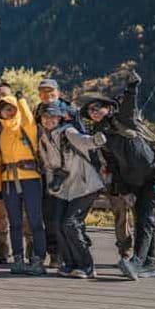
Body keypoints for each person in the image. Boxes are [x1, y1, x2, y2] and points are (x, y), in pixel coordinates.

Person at [83, 71, 155, 280]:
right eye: (90, 111)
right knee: (145, 220)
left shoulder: (123, 119)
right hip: (134, 182)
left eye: (97, 108)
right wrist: (125, 191)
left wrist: (132, 85)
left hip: (151, 176)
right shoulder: (101, 137)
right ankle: (151, 263)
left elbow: (130, 102)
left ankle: (137, 263)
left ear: (109, 108)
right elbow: (113, 167)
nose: (94, 112)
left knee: (146, 219)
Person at [38, 104, 106, 279]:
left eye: (52, 117)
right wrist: (52, 184)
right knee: (57, 224)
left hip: (85, 185)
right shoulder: (44, 140)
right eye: (45, 117)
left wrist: (96, 140)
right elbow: (47, 165)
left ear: (60, 118)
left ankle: (87, 265)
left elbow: (84, 140)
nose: (48, 120)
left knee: (70, 223)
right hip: (64, 188)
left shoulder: (68, 132)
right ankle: (69, 264)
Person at [0, 92, 47, 275]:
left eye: (10, 108)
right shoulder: (0, 131)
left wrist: (21, 100)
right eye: (3, 109)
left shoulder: (27, 127)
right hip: (9, 180)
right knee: (14, 222)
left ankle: (38, 259)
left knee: (35, 221)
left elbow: (28, 117)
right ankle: (18, 259)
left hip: (30, 177)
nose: (7, 112)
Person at [35, 78, 86, 268]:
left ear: (58, 91)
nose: (47, 95)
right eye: (43, 91)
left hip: (71, 171)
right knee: (50, 214)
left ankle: (77, 253)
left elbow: (82, 137)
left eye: (51, 91)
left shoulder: (70, 111)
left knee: (71, 215)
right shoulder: (37, 110)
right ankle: (55, 253)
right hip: (48, 170)